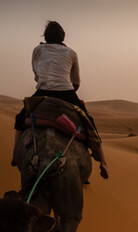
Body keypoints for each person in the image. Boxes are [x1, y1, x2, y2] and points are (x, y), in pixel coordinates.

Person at [12, 21, 108, 179]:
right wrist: (69, 91)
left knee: (20, 119)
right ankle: (102, 161)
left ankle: (15, 155)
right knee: (88, 121)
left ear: (46, 36)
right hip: (66, 92)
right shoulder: (71, 52)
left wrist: (46, 80)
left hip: (42, 91)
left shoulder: (37, 49)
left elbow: (36, 72)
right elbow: (76, 81)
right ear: (63, 37)